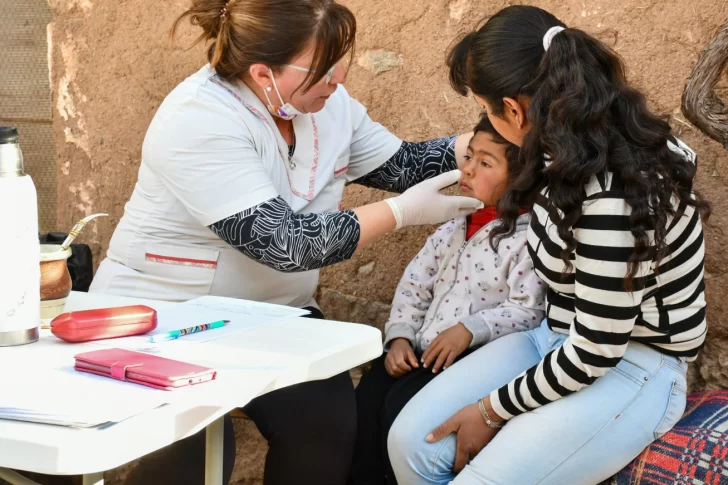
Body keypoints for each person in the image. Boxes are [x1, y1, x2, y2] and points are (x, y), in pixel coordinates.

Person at [88, 1, 483, 484]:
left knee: (328, 425)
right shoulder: (199, 119)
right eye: (323, 68)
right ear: (262, 73)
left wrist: (491, 142)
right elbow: (286, 244)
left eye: (342, 61)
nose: (338, 79)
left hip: (277, 317)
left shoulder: (324, 102)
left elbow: (401, 164)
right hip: (169, 316)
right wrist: (400, 214)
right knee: (197, 447)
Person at [387, 5, 711, 485]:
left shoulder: (612, 194)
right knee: (410, 443)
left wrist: (492, 409)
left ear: (514, 110)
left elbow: (597, 349)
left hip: (632, 361)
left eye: (486, 108)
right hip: (554, 336)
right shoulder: (569, 138)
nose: (487, 123)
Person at [349, 115, 545, 485]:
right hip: (417, 353)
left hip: (463, 364)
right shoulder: (453, 226)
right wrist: (400, 337)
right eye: (468, 157)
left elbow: (529, 310)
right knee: (368, 399)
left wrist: (470, 331)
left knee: (400, 411)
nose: (467, 169)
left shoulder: (528, 241)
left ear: (522, 177)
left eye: (485, 163)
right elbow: (414, 286)